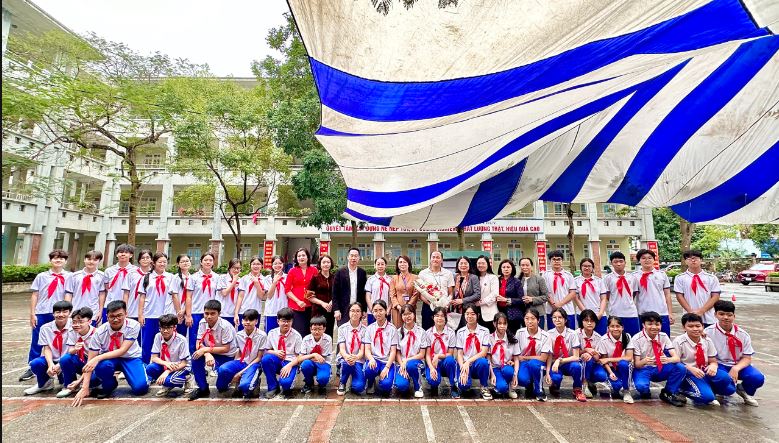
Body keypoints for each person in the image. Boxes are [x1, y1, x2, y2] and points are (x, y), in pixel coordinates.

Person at [71, 300, 149, 407]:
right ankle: (110, 385)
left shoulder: (133, 325)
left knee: (140, 388)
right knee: (94, 379)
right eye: (112, 316)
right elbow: (90, 361)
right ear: (107, 316)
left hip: (130, 358)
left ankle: (144, 370)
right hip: (109, 360)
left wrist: (97, 358)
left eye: (119, 315)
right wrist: (84, 388)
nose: (115, 319)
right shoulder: (100, 332)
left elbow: (122, 351)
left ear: (126, 314)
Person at [22, 248, 71, 382]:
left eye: (61, 258)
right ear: (50, 260)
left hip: (60, 313)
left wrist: (67, 312)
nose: (58, 260)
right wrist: (32, 313)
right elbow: (35, 294)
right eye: (55, 258)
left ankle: (60, 366)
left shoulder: (69, 276)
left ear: (65, 261)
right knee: (37, 339)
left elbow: (69, 294)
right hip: (42, 311)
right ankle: (32, 366)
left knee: (62, 340)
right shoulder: (41, 276)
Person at [704, 301, 764, 406]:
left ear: (734, 316)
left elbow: (747, 358)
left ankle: (743, 390)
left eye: (729, 315)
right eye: (721, 314)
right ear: (715, 315)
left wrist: (736, 368)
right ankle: (718, 390)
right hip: (718, 364)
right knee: (727, 387)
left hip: (737, 364)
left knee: (757, 378)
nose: (725, 317)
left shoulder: (743, 334)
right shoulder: (707, 332)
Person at [673, 313, 735, 406]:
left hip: (704, 370)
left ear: (702, 326)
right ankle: (681, 390)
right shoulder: (679, 341)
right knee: (706, 397)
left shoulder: (707, 340)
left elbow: (713, 360)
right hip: (689, 373)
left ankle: (708, 389)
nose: (695, 329)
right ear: (683, 327)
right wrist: (689, 368)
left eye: (698, 326)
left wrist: (713, 366)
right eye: (690, 326)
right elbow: (674, 364)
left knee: (729, 386)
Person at [630, 311, 686, 407]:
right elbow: (637, 364)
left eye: (657, 324)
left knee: (680, 368)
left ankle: (668, 392)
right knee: (642, 387)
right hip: (644, 368)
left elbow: (676, 358)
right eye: (650, 324)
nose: (654, 327)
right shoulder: (636, 339)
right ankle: (645, 391)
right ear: (643, 325)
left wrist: (668, 359)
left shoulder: (663, 336)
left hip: (660, 367)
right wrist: (644, 361)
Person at [187, 299, 239, 401]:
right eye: (206, 313)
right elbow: (198, 343)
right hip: (212, 352)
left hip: (227, 355)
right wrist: (207, 354)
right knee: (196, 357)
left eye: (212, 313)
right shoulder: (202, 323)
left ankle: (231, 378)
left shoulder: (225, 326)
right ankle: (203, 388)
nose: (209, 316)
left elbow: (226, 348)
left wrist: (206, 350)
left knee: (221, 386)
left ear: (219, 314)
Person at [137, 252, 180, 364]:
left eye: (164, 262)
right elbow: (142, 297)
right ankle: (146, 366)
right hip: (150, 314)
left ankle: (164, 365)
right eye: (160, 262)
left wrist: (178, 313)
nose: (162, 264)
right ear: (154, 263)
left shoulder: (171, 277)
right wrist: (140, 314)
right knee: (147, 343)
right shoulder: (146, 277)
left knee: (166, 342)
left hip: (166, 315)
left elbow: (175, 296)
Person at [215, 308, 267, 398]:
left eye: (251, 320)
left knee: (245, 386)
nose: (248, 322)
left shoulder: (262, 336)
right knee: (223, 370)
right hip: (242, 362)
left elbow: (259, 357)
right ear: (242, 321)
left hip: (254, 364)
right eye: (245, 320)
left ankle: (255, 383)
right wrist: (235, 368)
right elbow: (239, 352)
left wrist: (240, 373)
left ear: (256, 321)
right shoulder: (238, 335)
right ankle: (227, 385)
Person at [24, 300, 72, 395]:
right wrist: (50, 364)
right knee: (35, 363)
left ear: (70, 313)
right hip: (53, 359)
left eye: (65, 312)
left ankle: (68, 384)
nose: (61, 315)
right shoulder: (45, 328)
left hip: (67, 359)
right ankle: (45, 384)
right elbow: (47, 348)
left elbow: (73, 349)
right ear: (53, 314)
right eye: (58, 312)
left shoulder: (74, 327)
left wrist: (60, 364)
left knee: (67, 363)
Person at [544, 307, 586, 402]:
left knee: (577, 366)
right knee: (556, 378)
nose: (557, 320)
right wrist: (548, 370)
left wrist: (560, 360)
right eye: (554, 317)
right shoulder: (548, 334)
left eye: (560, 317)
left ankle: (577, 389)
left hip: (568, 362)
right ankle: (554, 385)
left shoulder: (572, 334)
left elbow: (576, 356)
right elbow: (548, 355)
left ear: (565, 320)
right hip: (554, 364)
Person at [145, 313, 191, 397]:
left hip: (181, 367)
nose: (165, 331)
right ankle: (167, 384)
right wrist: (166, 363)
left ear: (174, 327)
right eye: (163, 328)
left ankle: (187, 378)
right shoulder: (158, 336)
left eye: (168, 328)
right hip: (167, 364)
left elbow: (184, 363)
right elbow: (154, 358)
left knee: (169, 380)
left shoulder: (181, 340)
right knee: (150, 368)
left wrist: (167, 371)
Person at [261, 307, 303, 399]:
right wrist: (275, 352)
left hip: (290, 362)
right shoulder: (272, 333)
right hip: (277, 360)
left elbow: (299, 357)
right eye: (283, 321)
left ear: (292, 321)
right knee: (266, 359)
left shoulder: (297, 336)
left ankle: (286, 385)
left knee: (286, 384)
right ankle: (273, 387)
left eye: (289, 321)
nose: (286, 323)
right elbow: (266, 350)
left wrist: (289, 365)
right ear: (278, 321)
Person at [57, 307, 97, 398]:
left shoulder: (96, 334)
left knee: (94, 379)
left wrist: (80, 381)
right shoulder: (72, 331)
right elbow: (70, 351)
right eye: (74, 322)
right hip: (83, 360)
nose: (76, 325)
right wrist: (75, 349)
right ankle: (70, 386)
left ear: (89, 321)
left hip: (95, 363)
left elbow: (94, 360)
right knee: (65, 359)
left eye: (81, 322)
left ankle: (90, 385)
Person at [674, 250, 721, 328]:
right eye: (689, 259)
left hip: (709, 317)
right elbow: (679, 296)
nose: (693, 260)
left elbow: (715, 296)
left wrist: (701, 311)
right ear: (685, 261)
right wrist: (690, 312)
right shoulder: (680, 278)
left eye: (695, 258)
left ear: (701, 260)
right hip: (689, 317)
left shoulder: (711, 278)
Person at [632, 249, 674, 336]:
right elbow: (632, 296)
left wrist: (670, 313)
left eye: (649, 258)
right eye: (643, 258)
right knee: (644, 339)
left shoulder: (662, 274)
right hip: (643, 313)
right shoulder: (634, 276)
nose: (647, 260)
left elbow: (667, 294)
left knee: (663, 338)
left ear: (654, 259)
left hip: (661, 312)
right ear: (639, 260)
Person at [593, 316, 634, 403]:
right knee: (617, 386)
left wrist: (609, 359)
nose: (615, 329)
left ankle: (626, 390)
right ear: (608, 328)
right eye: (612, 326)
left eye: (618, 326)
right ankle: (612, 382)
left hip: (623, 366)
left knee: (624, 363)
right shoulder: (603, 339)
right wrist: (611, 373)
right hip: (610, 367)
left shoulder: (627, 337)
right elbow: (604, 360)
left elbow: (629, 357)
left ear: (622, 327)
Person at [456, 304, 492, 400]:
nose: (469, 316)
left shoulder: (485, 331)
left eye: (472, 314)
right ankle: (462, 379)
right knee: (464, 386)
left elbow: (483, 353)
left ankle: (484, 386)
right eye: (467, 314)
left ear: (478, 315)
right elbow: (459, 353)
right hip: (464, 364)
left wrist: (468, 361)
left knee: (483, 362)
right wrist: (462, 368)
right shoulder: (460, 332)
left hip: (477, 364)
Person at [362, 300, 398, 396]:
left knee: (386, 386)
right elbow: (367, 349)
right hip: (375, 359)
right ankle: (370, 382)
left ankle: (384, 382)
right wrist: (371, 359)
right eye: (375, 310)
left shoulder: (392, 329)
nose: (378, 313)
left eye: (381, 310)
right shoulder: (369, 328)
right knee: (368, 370)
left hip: (387, 361)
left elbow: (393, 351)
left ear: (386, 311)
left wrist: (387, 367)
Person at [423, 306, 459, 398]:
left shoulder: (451, 333)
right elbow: (427, 355)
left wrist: (438, 356)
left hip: (445, 361)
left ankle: (453, 385)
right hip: (432, 362)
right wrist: (431, 367)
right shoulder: (428, 333)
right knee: (433, 381)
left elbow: (450, 353)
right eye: (437, 315)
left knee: (450, 360)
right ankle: (434, 384)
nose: (439, 318)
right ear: (433, 317)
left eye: (442, 316)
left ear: (445, 318)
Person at [602, 252, 640, 336]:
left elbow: (634, 293)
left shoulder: (632, 277)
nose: (618, 264)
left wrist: (627, 301)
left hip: (631, 313)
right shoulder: (607, 278)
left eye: (621, 261)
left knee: (633, 337)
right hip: (615, 313)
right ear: (611, 263)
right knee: (616, 338)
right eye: (615, 262)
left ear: (625, 262)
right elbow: (607, 295)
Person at [64, 250, 106, 326]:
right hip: (75, 310)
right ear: (84, 260)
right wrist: (68, 310)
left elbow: (102, 294)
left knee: (90, 332)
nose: (91, 262)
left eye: (95, 260)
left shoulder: (102, 276)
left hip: (93, 312)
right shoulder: (74, 276)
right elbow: (69, 294)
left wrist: (100, 311)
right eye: (89, 259)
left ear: (99, 261)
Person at [187, 253, 219, 352]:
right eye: (205, 260)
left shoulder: (217, 277)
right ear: (201, 262)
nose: (208, 262)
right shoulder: (193, 277)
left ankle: (208, 358)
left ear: (213, 262)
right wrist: (188, 315)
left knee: (210, 337)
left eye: (210, 260)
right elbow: (188, 297)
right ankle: (193, 358)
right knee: (194, 337)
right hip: (196, 311)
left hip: (211, 312)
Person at [516, 308, 549, 401]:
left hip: (539, 364)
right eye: (527, 318)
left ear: (538, 320)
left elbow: (543, 358)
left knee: (533, 363)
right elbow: (516, 352)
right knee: (523, 380)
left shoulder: (545, 336)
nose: (530, 321)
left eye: (533, 318)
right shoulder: (519, 333)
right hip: (524, 363)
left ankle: (539, 390)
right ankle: (530, 384)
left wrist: (525, 357)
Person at [394, 304, 426, 398]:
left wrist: (406, 361)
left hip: (417, 363)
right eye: (404, 314)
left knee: (411, 365)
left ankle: (418, 387)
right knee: (401, 386)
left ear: (414, 314)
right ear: (401, 316)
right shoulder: (398, 332)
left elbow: (422, 354)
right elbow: (397, 353)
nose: (407, 316)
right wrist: (402, 364)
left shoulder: (421, 332)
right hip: (402, 363)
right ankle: (407, 377)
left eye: (409, 314)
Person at [418, 250, 455, 330]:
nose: (435, 259)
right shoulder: (423, 273)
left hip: (444, 307)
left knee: (443, 331)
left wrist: (446, 304)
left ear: (442, 260)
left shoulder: (448, 273)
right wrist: (431, 304)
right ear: (430, 259)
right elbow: (421, 294)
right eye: (433, 257)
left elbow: (451, 293)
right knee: (427, 330)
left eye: (438, 257)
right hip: (428, 307)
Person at [336, 302, 367, 396]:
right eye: (352, 311)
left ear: (361, 313)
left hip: (358, 359)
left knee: (359, 387)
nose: (355, 313)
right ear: (349, 312)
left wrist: (356, 357)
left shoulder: (365, 330)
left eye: (358, 311)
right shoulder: (342, 328)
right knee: (346, 363)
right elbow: (342, 349)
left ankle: (354, 379)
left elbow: (362, 350)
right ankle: (342, 382)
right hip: (345, 358)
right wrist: (347, 357)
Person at [332, 247, 368, 326]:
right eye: (351, 255)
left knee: (357, 331)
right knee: (343, 330)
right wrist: (336, 310)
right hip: (343, 309)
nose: (353, 258)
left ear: (359, 258)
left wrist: (364, 310)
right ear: (348, 257)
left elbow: (364, 293)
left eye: (356, 256)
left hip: (357, 309)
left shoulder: (362, 273)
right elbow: (335, 293)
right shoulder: (340, 272)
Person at [541, 251, 576, 329]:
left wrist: (559, 304)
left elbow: (572, 293)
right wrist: (553, 304)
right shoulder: (545, 275)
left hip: (568, 310)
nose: (556, 261)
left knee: (570, 333)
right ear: (550, 261)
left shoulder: (569, 275)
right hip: (551, 310)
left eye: (559, 259)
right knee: (553, 333)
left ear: (562, 260)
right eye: (554, 259)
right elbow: (545, 292)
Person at [286, 248, 318, 335]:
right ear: (296, 258)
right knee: (298, 331)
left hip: (311, 305)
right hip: (296, 306)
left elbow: (317, 286)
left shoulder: (314, 270)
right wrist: (298, 301)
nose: (301, 257)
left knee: (310, 331)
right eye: (299, 256)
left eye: (303, 255)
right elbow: (287, 290)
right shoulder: (292, 271)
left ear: (308, 257)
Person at [299, 316, 333, 395]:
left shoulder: (328, 339)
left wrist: (309, 357)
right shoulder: (306, 339)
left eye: (319, 329)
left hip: (323, 363)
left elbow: (323, 358)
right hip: (310, 362)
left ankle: (322, 383)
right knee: (305, 364)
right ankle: (308, 382)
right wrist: (314, 355)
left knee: (323, 379)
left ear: (324, 329)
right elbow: (300, 358)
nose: (316, 332)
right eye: (314, 329)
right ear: (310, 329)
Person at [102, 244, 137, 324]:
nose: (123, 254)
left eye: (126, 252)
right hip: (110, 304)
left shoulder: (135, 271)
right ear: (117, 255)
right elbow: (106, 288)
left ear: (131, 255)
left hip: (128, 306)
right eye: (120, 252)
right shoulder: (109, 270)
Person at [488, 312, 519, 399]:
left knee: (509, 371)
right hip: (495, 368)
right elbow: (488, 358)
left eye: (504, 323)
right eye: (499, 323)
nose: (502, 326)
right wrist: (492, 374)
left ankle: (510, 387)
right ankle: (502, 386)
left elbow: (516, 359)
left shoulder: (512, 338)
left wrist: (515, 375)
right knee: (502, 388)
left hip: (506, 367)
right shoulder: (489, 338)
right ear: (494, 324)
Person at [573, 258, 608, 335]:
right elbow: (576, 299)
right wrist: (586, 313)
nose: (586, 268)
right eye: (584, 266)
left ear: (592, 268)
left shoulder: (599, 281)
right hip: (583, 314)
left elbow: (604, 298)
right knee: (585, 338)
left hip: (598, 315)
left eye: (589, 266)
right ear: (581, 267)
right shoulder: (575, 281)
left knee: (601, 337)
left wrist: (600, 313)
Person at [307, 254, 336, 335]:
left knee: (329, 333)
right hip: (317, 310)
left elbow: (338, 293)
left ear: (331, 264)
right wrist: (322, 303)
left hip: (330, 310)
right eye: (324, 262)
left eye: (328, 262)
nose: (326, 264)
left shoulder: (334, 278)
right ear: (320, 264)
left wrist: (332, 301)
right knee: (317, 333)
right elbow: (308, 296)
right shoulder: (315, 278)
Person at [236, 256, 266, 332]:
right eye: (253, 264)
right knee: (242, 334)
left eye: (258, 264)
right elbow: (240, 296)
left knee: (255, 335)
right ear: (250, 265)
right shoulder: (244, 279)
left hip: (256, 311)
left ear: (262, 266)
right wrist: (236, 313)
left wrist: (257, 283)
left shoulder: (264, 280)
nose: (256, 266)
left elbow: (262, 297)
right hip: (243, 311)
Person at [577, 309, 602, 398]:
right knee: (586, 359)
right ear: (581, 321)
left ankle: (589, 382)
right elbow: (572, 352)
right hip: (577, 361)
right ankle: (584, 385)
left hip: (592, 362)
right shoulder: (576, 334)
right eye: (586, 320)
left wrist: (590, 354)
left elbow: (597, 357)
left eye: (592, 321)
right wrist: (585, 350)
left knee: (601, 375)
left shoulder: (598, 337)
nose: (589, 323)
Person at [450, 257, 481, 331]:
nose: (463, 265)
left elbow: (477, 295)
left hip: (468, 310)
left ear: (469, 265)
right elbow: (451, 292)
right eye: (461, 263)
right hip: (455, 310)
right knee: (455, 330)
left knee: (467, 331)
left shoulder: (473, 277)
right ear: (458, 265)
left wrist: (462, 300)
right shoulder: (455, 277)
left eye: (465, 263)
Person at [518, 257, 549, 329]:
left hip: (538, 312)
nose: (525, 267)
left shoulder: (539, 279)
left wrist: (532, 299)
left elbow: (546, 296)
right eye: (522, 265)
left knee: (538, 333)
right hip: (523, 313)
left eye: (527, 265)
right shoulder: (518, 280)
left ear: (531, 266)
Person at [123, 249, 152, 324]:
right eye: (142, 258)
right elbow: (126, 293)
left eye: (147, 257)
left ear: (151, 260)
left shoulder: (154, 275)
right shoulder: (131, 274)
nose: (145, 260)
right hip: (132, 309)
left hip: (148, 311)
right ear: (139, 260)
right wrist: (124, 309)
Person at [389, 255, 418, 328]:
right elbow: (392, 295)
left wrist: (408, 307)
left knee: (410, 329)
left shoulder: (415, 278)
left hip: (411, 309)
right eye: (400, 262)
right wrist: (398, 307)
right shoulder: (394, 278)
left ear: (408, 264)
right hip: (397, 309)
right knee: (398, 330)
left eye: (405, 262)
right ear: (397, 265)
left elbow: (416, 294)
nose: (402, 264)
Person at [496, 259, 524, 332]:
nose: (506, 269)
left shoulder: (516, 281)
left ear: (512, 269)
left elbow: (521, 300)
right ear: (500, 269)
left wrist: (507, 300)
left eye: (508, 267)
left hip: (512, 313)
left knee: (512, 335)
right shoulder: (496, 280)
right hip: (498, 311)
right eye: (504, 267)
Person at [263, 256, 288, 333]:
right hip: (271, 311)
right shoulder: (267, 278)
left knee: (283, 335)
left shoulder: (287, 277)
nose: (277, 265)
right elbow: (269, 296)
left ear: (283, 264)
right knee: (270, 334)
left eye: (280, 263)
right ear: (272, 265)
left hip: (284, 310)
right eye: (275, 263)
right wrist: (274, 282)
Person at [365, 257, 393, 324]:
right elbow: (368, 296)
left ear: (385, 266)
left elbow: (392, 297)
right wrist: (372, 310)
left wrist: (388, 309)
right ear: (375, 266)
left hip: (385, 312)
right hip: (372, 312)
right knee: (372, 329)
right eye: (378, 264)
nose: (380, 266)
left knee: (385, 329)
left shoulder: (390, 280)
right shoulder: (370, 280)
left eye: (382, 264)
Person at [476, 255, 499, 332]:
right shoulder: (474, 277)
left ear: (488, 264)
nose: (481, 265)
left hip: (489, 311)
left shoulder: (493, 277)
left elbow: (494, 294)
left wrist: (480, 302)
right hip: (475, 311)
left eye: (483, 263)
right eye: (479, 263)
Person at [218, 258, 242, 328]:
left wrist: (236, 313)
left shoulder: (241, 280)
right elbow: (224, 293)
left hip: (233, 313)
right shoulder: (222, 278)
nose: (236, 270)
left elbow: (240, 297)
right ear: (229, 268)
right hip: (222, 312)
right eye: (234, 268)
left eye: (238, 268)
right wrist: (234, 281)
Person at [173, 254, 192, 336]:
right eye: (182, 261)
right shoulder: (175, 278)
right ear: (178, 264)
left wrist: (184, 310)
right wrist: (179, 313)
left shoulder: (193, 278)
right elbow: (174, 296)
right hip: (176, 311)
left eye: (187, 261)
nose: (185, 263)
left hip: (188, 311)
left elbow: (191, 296)